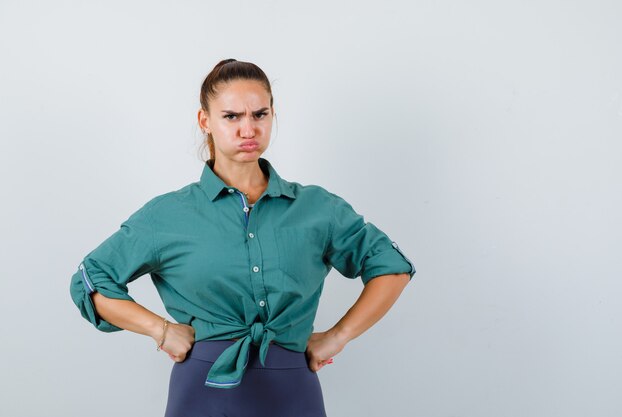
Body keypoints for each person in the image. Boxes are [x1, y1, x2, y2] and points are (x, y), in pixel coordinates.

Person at [69, 58, 416, 417]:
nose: (248, 129)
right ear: (205, 121)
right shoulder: (167, 215)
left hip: (293, 393)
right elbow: (91, 279)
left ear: (272, 116)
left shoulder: (318, 209)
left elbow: (391, 267)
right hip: (202, 395)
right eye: (231, 116)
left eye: (259, 115)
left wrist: (338, 337)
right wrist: (160, 330)